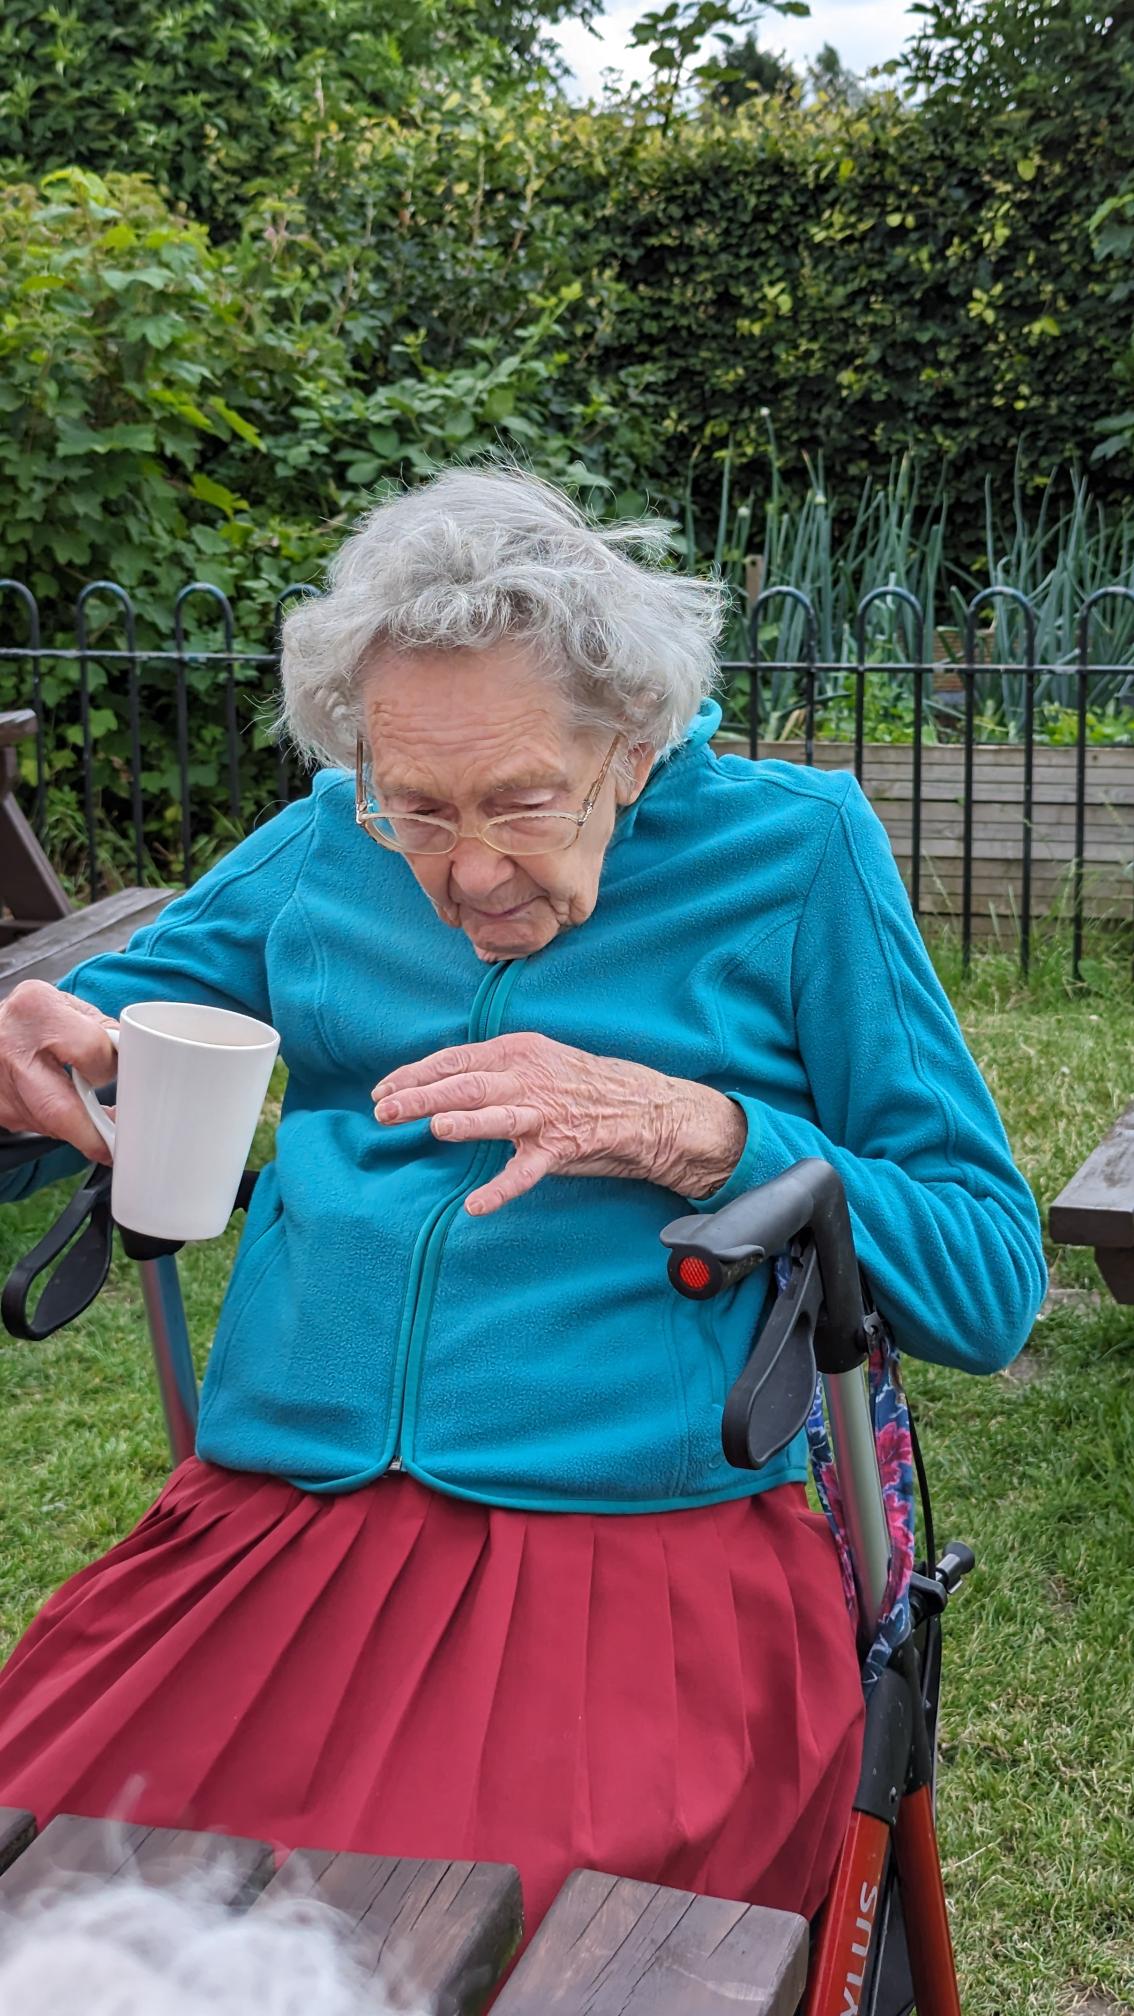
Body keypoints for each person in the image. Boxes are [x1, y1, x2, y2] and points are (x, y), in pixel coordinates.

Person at [0, 467, 1046, 1937]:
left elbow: (988, 1274)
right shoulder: (325, 845)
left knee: (428, 1943)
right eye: (417, 808)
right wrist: (28, 1077)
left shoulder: (795, 853)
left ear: (633, 744)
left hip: (629, 1561)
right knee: (46, 1871)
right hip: (272, 1530)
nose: (468, 872)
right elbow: (76, 1066)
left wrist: (703, 1133)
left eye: (521, 802)